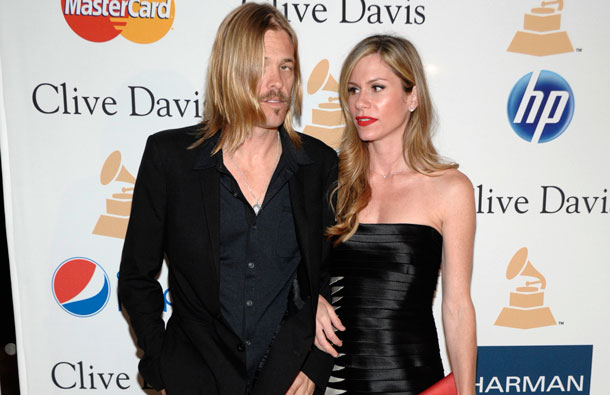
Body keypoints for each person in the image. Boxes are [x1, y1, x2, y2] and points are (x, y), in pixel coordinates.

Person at [118, 3, 337, 394]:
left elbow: (335, 276)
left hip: (287, 380)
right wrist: (160, 364)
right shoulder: (171, 159)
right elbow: (137, 276)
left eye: (286, 67)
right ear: (230, 70)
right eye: (262, 66)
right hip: (196, 376)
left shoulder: (318, 164)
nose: (277, 83)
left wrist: (316, 366)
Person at [313, 35, 477, 395]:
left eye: (377, 87)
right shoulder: (331, 182)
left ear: (412, 96)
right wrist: (311, 301)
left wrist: (466, 392)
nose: (361, 102)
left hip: (413, 380)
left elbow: (457, 305)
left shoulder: (451, 188)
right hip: (334, 384)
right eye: (353, 90)